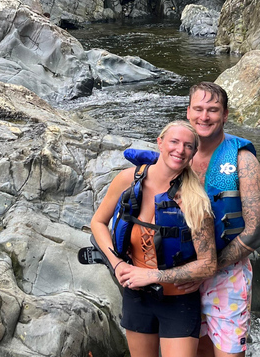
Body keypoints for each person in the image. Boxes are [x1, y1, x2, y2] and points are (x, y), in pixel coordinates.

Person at [90, 120, 217, 357]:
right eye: (174, 142)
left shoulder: (194, 199)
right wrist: (116, 264)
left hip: (178, 302)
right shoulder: (128, 180)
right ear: (160, 143)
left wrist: (154, 275)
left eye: (188, 146)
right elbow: (98, 223)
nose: (180, 150)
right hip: (136, 298)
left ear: (193, 153)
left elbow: (208, 263)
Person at [182, 82, 260, 357]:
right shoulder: (176, 154)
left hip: (227, 276)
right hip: (182, 273)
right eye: (198, 109)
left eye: (213, 110)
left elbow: (257, 232)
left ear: (226, 114)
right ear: (188, 112)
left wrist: (208, 269)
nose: (204, 117)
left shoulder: (243, 160)